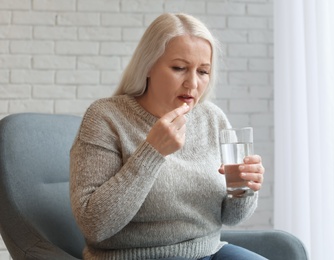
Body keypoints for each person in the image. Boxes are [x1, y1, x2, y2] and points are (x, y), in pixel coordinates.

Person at [70, 13, 266, 260]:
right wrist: (152, 152)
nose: (192, 83)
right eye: (179, 68)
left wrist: (244, 188)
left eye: (203, 71)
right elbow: (95, 224)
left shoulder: (212, 118)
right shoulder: (106, 117)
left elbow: (232, 217)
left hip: (209, 251)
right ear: (148, 66)